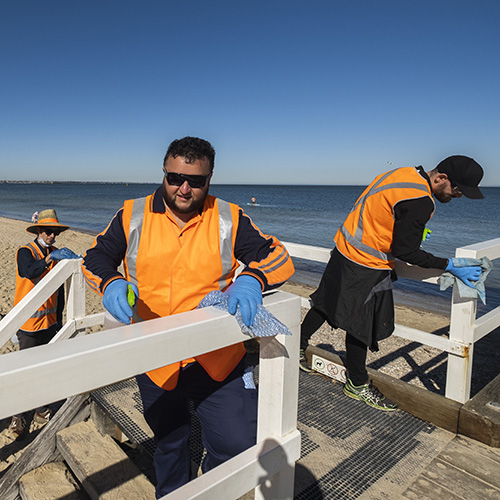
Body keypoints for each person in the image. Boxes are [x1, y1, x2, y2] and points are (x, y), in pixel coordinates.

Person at [82, 136, 294, 497]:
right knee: (169, 443)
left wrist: (252, 279)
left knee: (237, 444)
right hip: (155, 357)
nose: (184, 188)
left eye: (195, 181)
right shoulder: (133, 214)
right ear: (164, 173)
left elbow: (277, 256)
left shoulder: (228, 216)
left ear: (209, 179)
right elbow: (95, 258)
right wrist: (111, 282)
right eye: (174, 177)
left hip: (218, 358)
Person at [300, 155, 485, 411]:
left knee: (326, 301)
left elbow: (380, 210)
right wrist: (449, 265)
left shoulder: (404, 174)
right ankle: (357, 383)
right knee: (359, 325)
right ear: (441, 178)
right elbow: (406, 252)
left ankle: (299, 346)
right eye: (457, 190)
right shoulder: (421, 201)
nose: (458, 197)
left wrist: (409, 228)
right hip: (366, 263)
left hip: (344, 248)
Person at [10, 209, 80, 437]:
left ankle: (40, 410)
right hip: (29, 325)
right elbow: (27, 271)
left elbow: (57, 292)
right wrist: (50, 258)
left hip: (49, 324)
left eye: (55, 232)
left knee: (44, 370)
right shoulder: (26, 251)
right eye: (49, 232)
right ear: (38, 230)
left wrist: (58, 322)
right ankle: (17, 417)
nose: (52, 236)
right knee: (24, 372)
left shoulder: (55, 253)